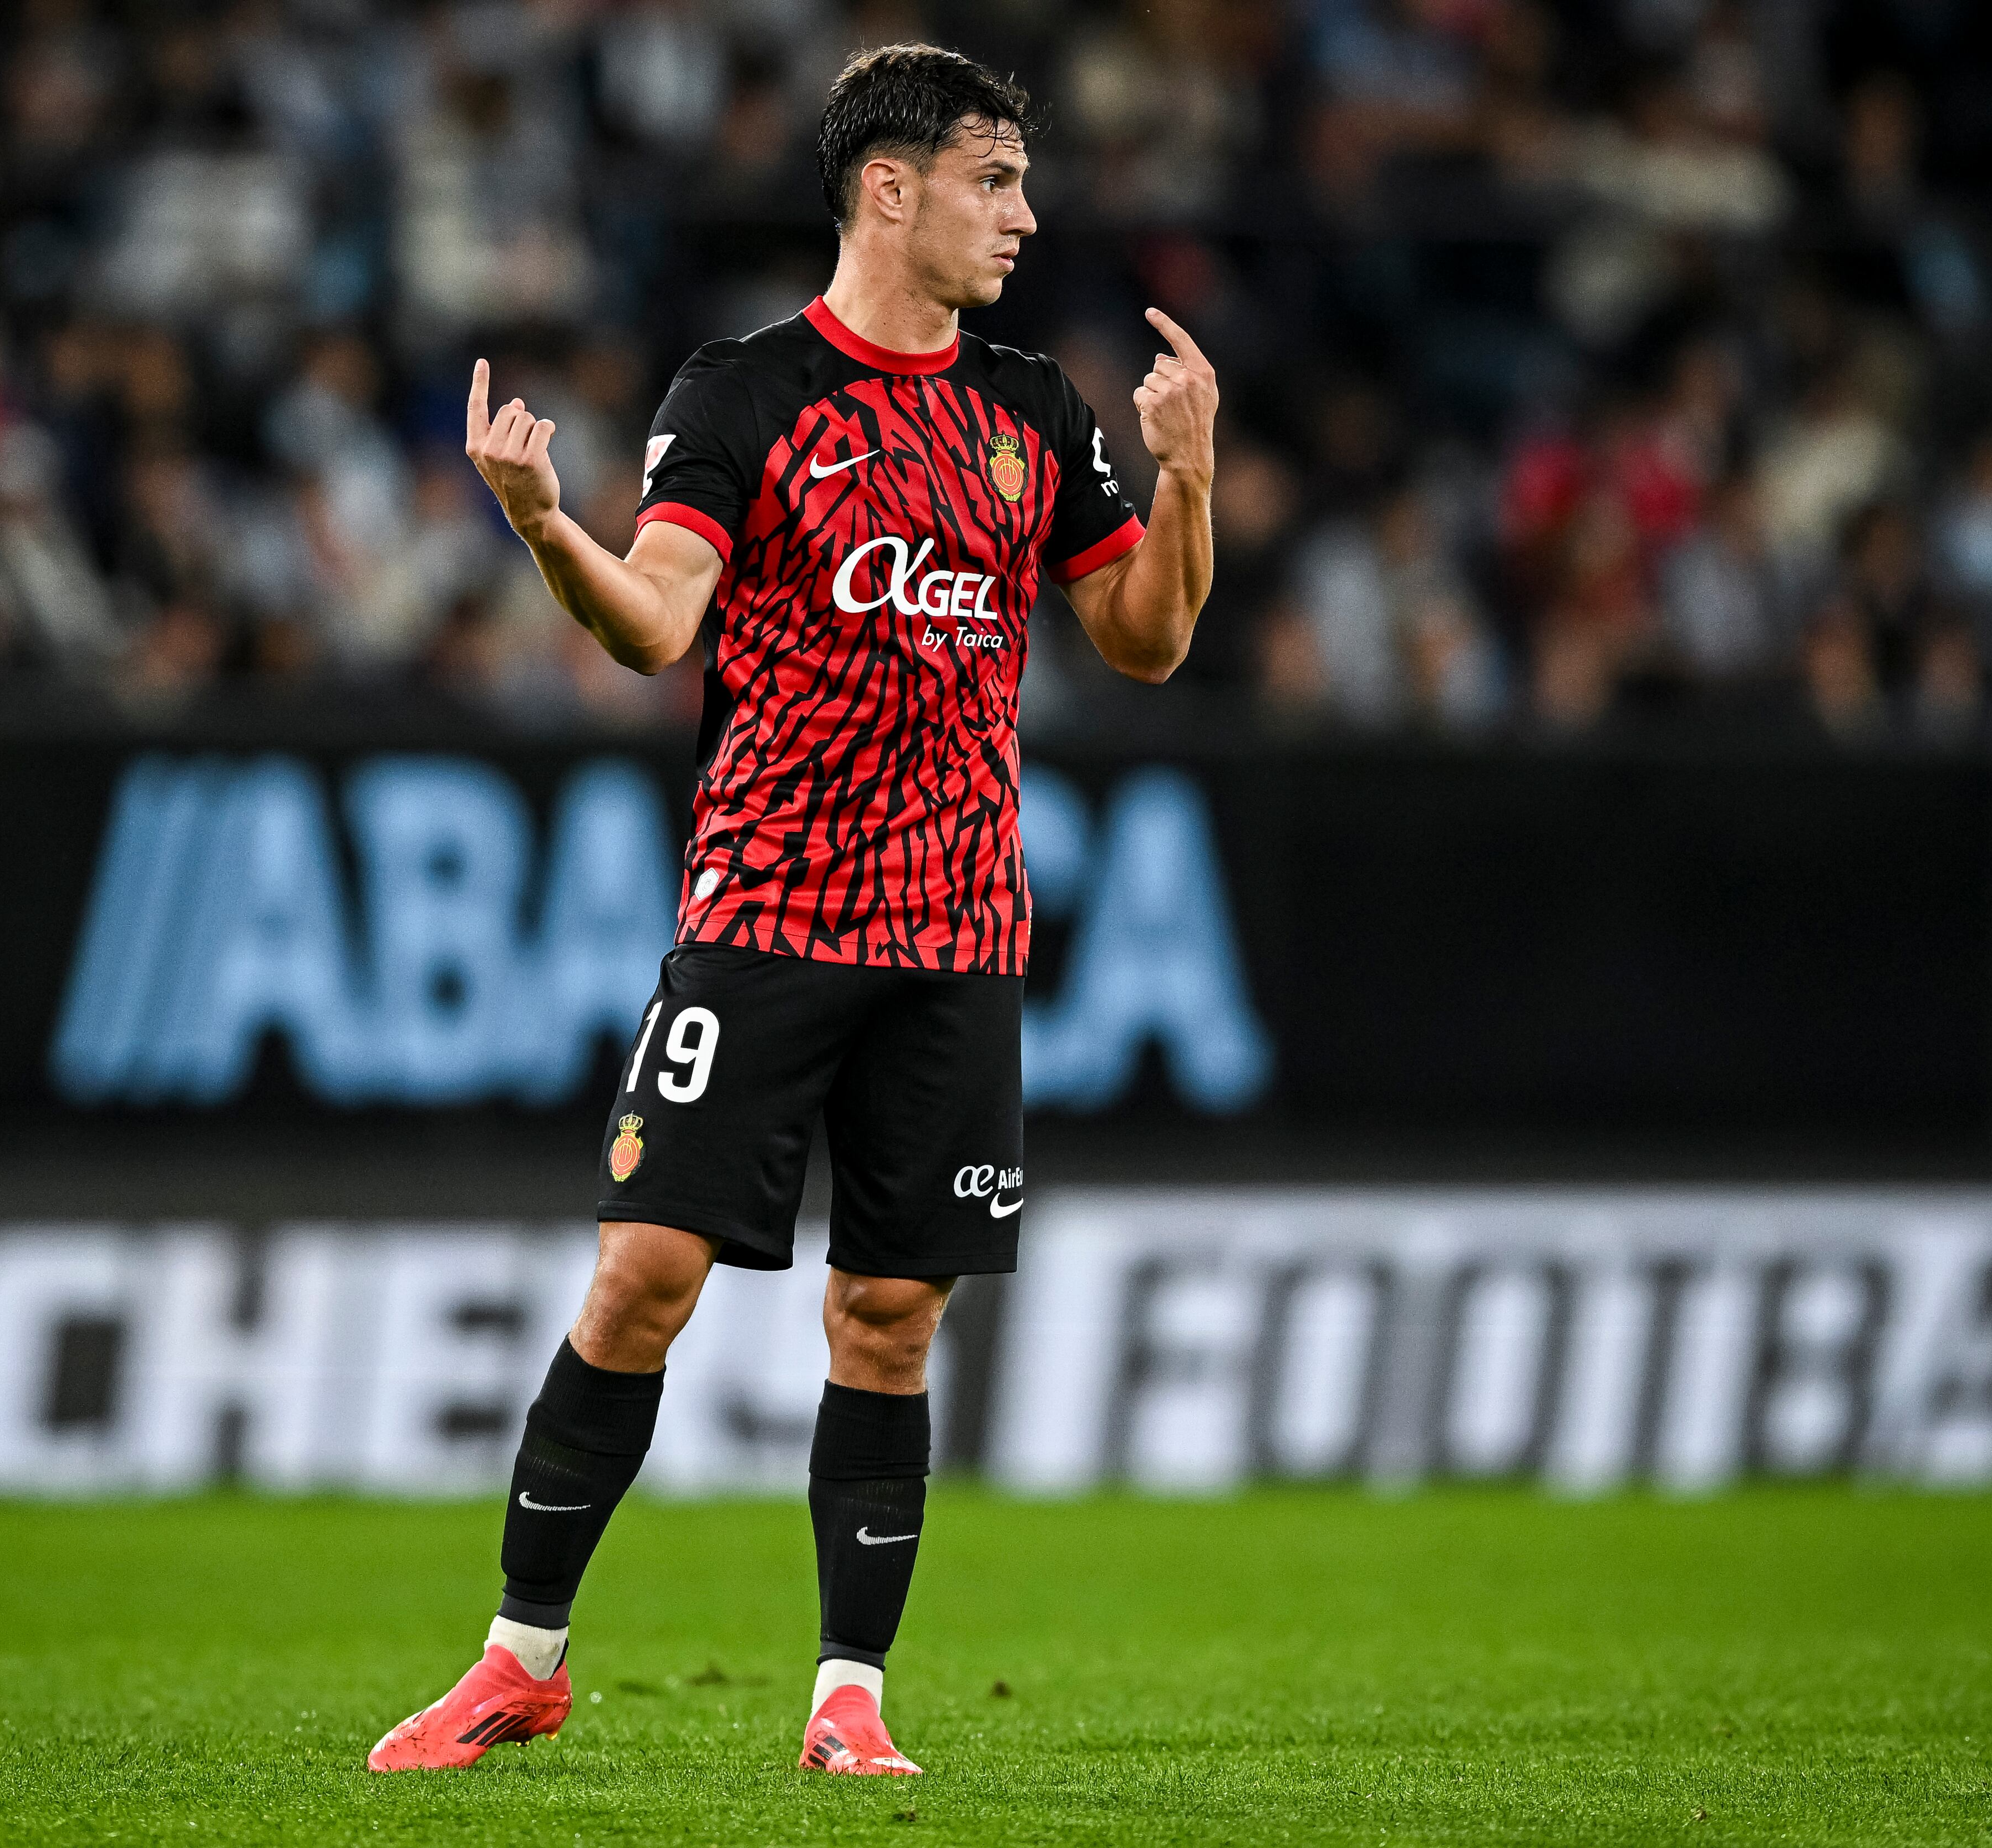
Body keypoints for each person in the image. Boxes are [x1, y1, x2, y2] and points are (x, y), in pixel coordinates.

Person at [365, 43, 1218, 1780]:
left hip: (959, 936)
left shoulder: (1034, 408)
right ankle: (521, 1659)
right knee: (643, 1276)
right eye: (995, 179)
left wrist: (1186, 475)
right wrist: (546, 528)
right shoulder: (746, 392)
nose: (1025, 216)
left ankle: (850, 1697)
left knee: (889, 1317)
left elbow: (1147, 639)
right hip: (765, 912)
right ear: (889, 189)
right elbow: (655, 623)